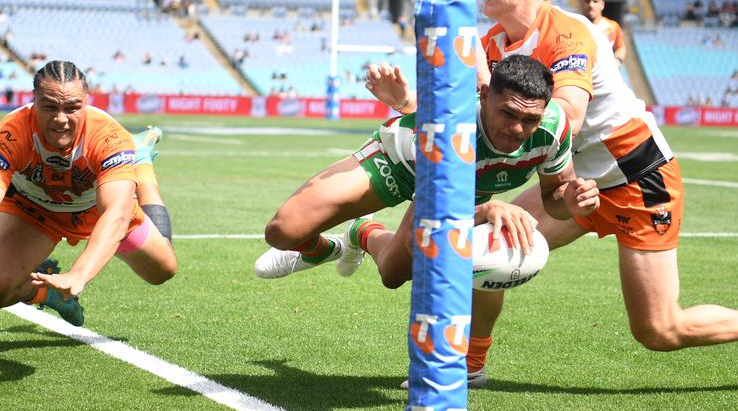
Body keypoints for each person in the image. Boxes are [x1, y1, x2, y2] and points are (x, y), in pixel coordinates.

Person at [367, 0, 738, 391]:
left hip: (638, 177)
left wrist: (486, 98)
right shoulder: (492, 44)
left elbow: (565, 117)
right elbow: (477, 118)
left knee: (658, 329)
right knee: (491, 246)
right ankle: (470, 364)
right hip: (573, 181)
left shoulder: (570, 31)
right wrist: (411, 102)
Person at [255, 55, 598, 299]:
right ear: (483, 97)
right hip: (400, 163)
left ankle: (362, 232)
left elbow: (556, 199)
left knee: (392, 275)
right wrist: (488, 209)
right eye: (507, 113)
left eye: (530, 119)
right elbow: (440, 201)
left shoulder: (554, 128)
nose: (517, 129)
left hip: (461, 192)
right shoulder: (454, 122)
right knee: (283, 232)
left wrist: (570, 201)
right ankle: (320, 250)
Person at [0, 61, 177, 327]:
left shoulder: (107, 136)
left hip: (97, 211)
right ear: (34, 101)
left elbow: (115, 215)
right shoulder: (9, 133)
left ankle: (140, 159)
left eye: (72, 108)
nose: (61, 119)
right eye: (50, 106)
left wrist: (79, 274)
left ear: (87, 102)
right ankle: (49, 295)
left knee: (163, 270)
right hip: (34, 209)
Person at [578, 0, 627, 64]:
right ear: (581, 3)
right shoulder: (573, 25)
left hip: (605, 75)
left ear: (602, 4)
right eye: (587, 1)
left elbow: (620, 47)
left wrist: (617, 60)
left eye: (595, 1)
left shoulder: (612, 27)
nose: (591, 5)